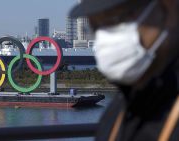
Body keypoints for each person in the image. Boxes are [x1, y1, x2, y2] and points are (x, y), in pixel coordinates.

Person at [70, 0, 178, 141]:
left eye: (120, 18)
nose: (107, 37)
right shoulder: (120, 109)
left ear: (168, 8)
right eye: (96, 26)